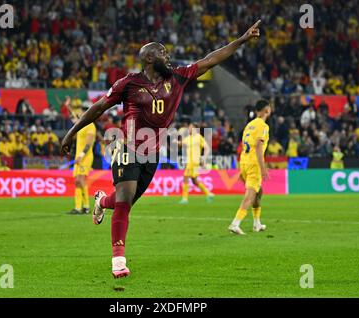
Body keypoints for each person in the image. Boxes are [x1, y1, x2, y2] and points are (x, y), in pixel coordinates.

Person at [61, 20, 262, 278]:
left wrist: (242, 39)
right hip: (127, 147)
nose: (168, 56)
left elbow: (210, 60)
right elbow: (99, 107)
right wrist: (71, 131)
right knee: (124, 200)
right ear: (148, 59)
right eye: (162, 53)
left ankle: (101, 200)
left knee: (125, 201)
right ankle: (118, 260)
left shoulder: (177, 77)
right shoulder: (129, 83)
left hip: (152, 153)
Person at [228, 100, 271, 235]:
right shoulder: (263, 126)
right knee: (251, 194)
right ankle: (235, 223)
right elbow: (258, 146)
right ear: (266, 110)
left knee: (259, 192)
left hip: (244, 162)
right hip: (254, 164)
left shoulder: (249, 125)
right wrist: (263, 168)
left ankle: (257, 223)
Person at [67, 101, 96, 215]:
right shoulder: (81, 123)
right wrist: (68, 105)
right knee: (77, 182)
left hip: (85, 157)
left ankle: (85, 207)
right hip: (79, 157)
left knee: (80, 180)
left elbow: (89, 144)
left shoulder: (91, 126)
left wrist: (81, 155)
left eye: (85, 109)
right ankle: (80, 207)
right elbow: (72, 115)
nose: (82, 111)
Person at [179, 123, 214, 204]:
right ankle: (209, 194)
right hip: (189, 161)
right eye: (189, 127)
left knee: (185, 177)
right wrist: (176, 141)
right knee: (194, 181)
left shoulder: (199, 137)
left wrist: (204, 157)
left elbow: (207, 148)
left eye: (191, 127)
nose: (189, 129)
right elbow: (181, 144)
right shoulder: (188, 138)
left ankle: (184, 199)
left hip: (194, 162)